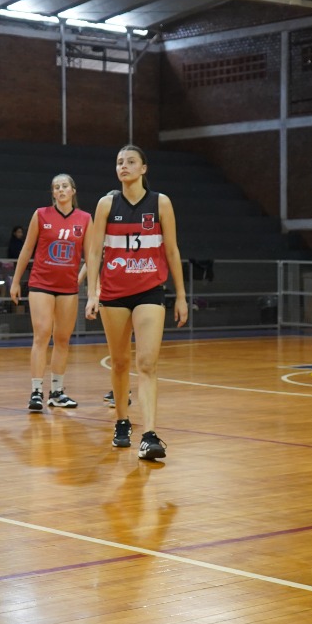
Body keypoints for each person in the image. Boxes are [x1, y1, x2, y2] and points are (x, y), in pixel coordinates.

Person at [84, 146, 189, 461]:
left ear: (144, 168)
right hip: (114, 293)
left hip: (150, 291)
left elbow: (171, 250)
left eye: (130, 162)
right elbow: (92, 252)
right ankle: (121, 421)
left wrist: (181, 295)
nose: (124, 166)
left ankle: (150, 434)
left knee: (147, 363)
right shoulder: (106, 204)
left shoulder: (161, 203)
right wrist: (93, 292)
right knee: (119, 363)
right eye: (119, 162)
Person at [10, 173, 91, 412]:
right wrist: (16, 281)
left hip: (68, 287)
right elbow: (26, 250)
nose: (61, 190)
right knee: (42, 334)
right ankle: (36, 391)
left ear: (73, 191)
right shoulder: (41, 215)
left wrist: (86, 282)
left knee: (63, 339)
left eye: (65, 186)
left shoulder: (85, 219)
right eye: (56, 187)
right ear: (53, 193)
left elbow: (92, 256)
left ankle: (57, 392)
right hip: (41, 284)